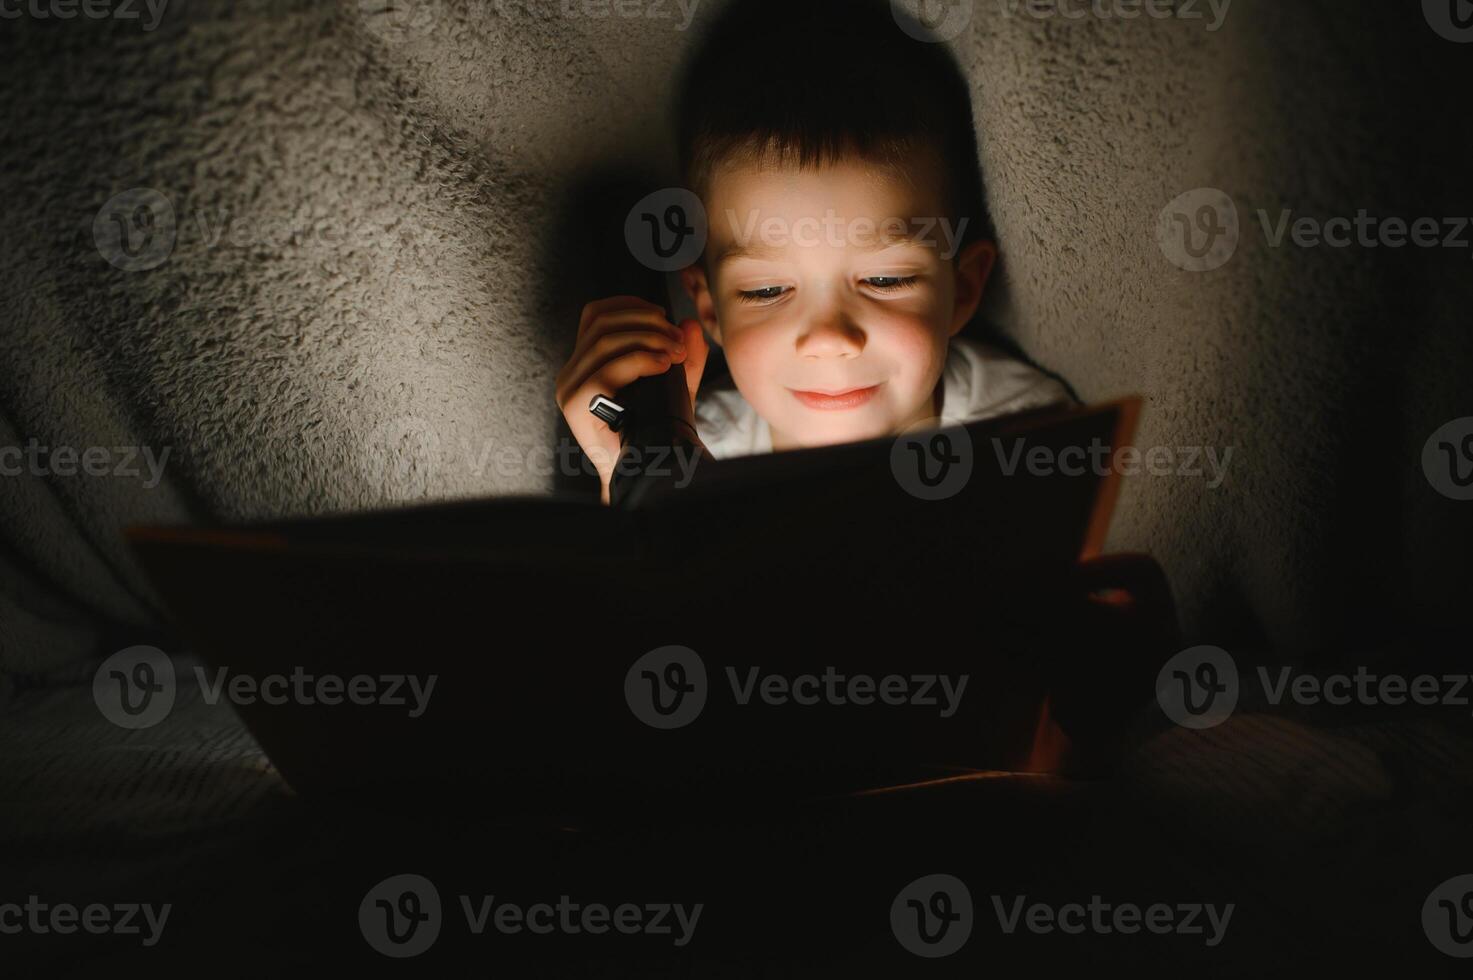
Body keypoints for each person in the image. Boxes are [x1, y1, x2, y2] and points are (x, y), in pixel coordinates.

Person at [555, 0, 1073, 505]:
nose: (829, 338)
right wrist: (618, 474)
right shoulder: (699, 457)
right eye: (767, 290)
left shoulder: (1028, 442)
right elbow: (645, 587)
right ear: (709, 308)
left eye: (886, 280)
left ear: (962, 289)